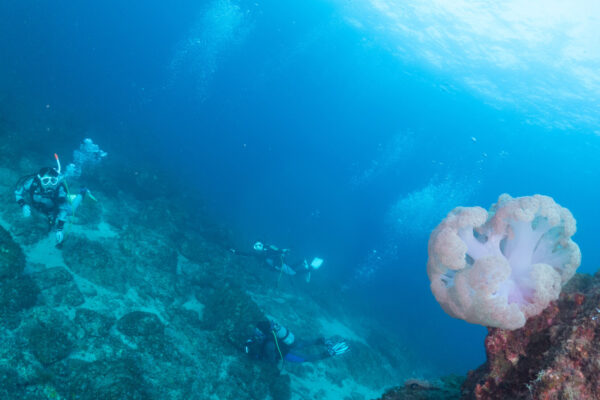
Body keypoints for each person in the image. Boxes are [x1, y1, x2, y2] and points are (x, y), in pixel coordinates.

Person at [14, 154, 89, 245]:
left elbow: (63, 210)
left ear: (56, 181)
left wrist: (59, 230)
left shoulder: (59, 188)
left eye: (53, 181)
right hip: (39, 206)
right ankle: (69, 197)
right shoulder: (32, 184)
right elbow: (18, 193)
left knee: (70, 211)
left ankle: (82, 193)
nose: (49, 185)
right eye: (45, 181)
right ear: (39, 180)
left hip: (53, 207)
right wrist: (23, 205)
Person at [244, 320, 349, 365]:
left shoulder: (268, 345)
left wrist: (258, 357)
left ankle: (328, 354)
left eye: (258, 334)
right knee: (301, 343)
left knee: (306, 358)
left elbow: (271, 360)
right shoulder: (270, 333)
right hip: (287, 343)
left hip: (286, 353)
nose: (256, 335)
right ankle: (320, 341)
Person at [230, 241, 324, 282]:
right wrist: (235, 252)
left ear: (262, 245)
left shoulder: (268, 249)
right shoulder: (255, 254)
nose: (257, 248)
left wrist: (284, 251)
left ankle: (311, 268)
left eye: (259, 245)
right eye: (256, 246)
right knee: (290, 269)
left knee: (293, 274)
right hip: (277, 267)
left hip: (279, 265)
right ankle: (302, 261)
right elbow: (246, 254)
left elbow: (278, 251)